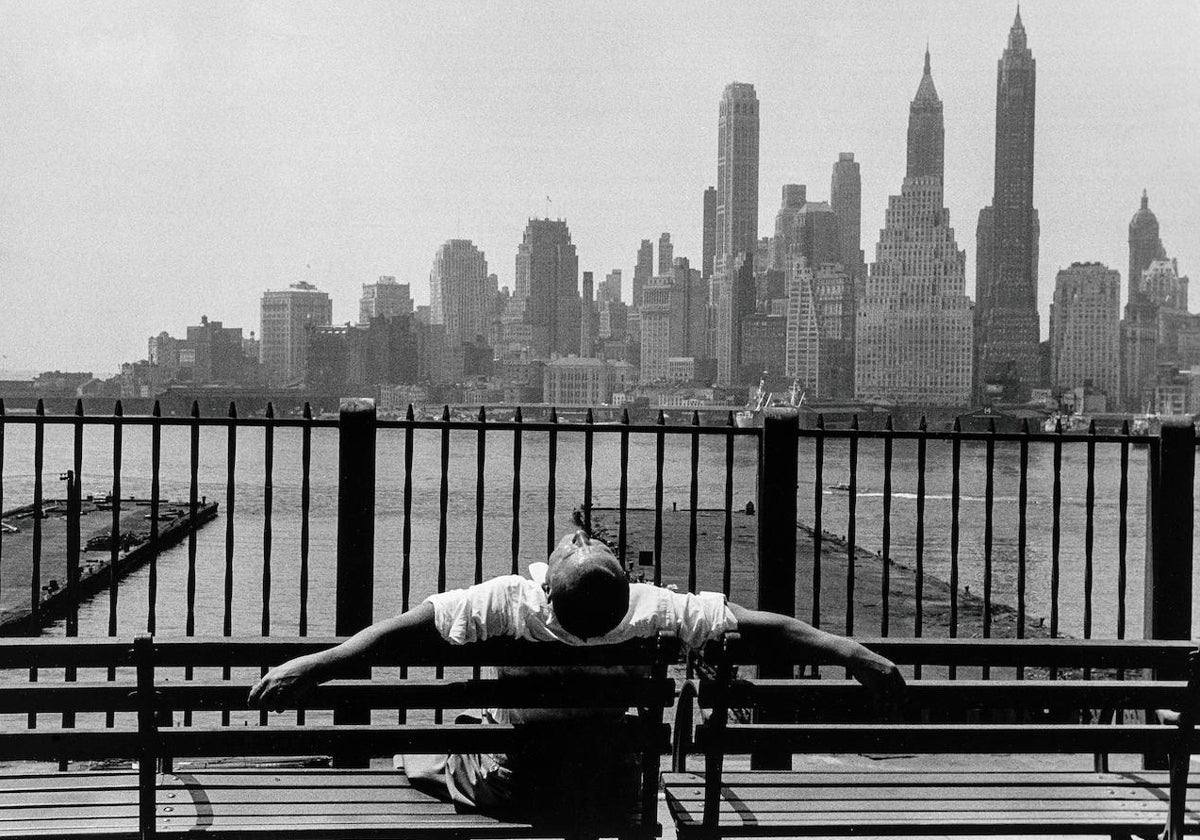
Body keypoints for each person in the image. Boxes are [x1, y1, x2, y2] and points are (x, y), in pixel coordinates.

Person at [248, 526, 905, 817]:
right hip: (610, 784)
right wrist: (855, 653)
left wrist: (314, 665)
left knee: (428, 748)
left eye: (576, 543)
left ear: (550, 593)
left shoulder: (509, 602)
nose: (577, 535)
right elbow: (770, 627)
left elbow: (398, 634)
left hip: (518, 781)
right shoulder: (654, 612)